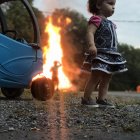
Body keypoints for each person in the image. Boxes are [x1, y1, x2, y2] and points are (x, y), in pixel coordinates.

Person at [81, 0, 128, 107]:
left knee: (107, 77)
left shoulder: (111, 23)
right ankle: (86, 98)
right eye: (110, 4)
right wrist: (91, 45)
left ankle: (102, 99)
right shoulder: (96, 19)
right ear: (98, 5)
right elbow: (90, 32)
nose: (113, 7)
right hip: (100, 53)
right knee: (95, 76)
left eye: (114, 5)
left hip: (110, 54)